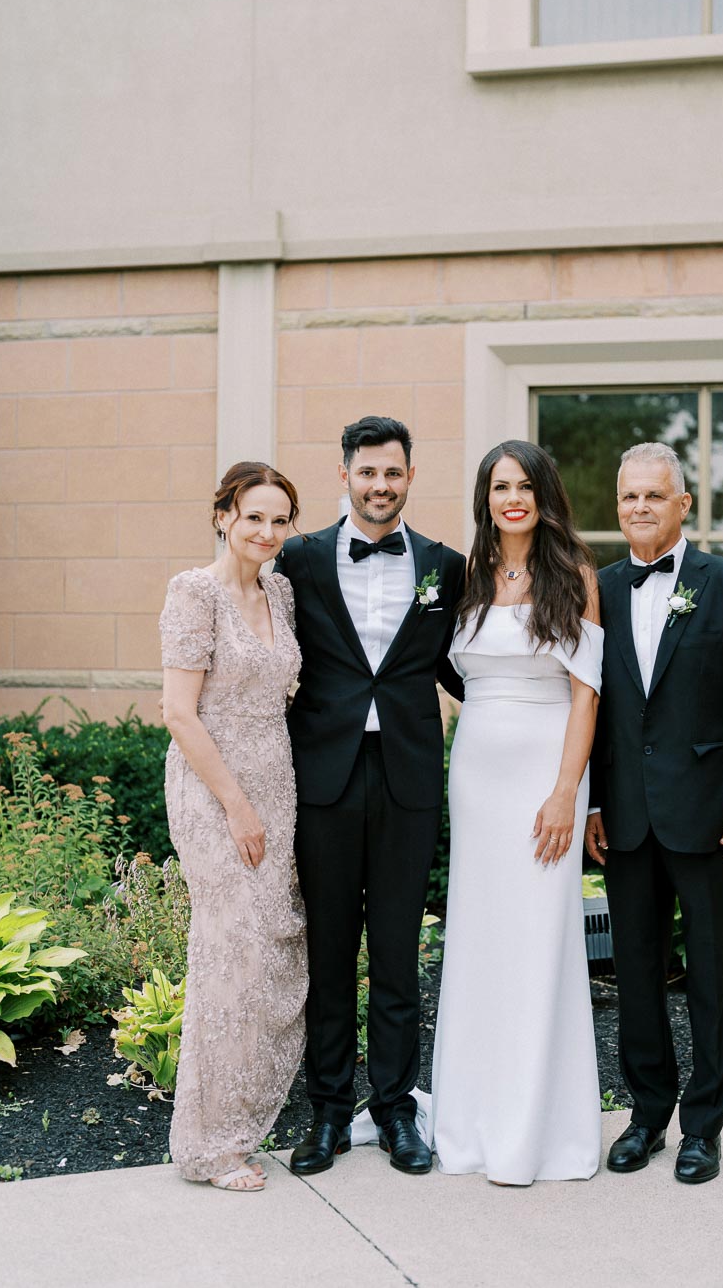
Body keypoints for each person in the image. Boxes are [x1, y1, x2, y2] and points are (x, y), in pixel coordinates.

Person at [585, 441, 723, 1185]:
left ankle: (704, 1126)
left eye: (653, 496)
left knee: (710, 973)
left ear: (683, 505)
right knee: (634, 973)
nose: (639, 507)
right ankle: (647, 1116)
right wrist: (597, 801)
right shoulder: (596, 589)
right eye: (628, 496)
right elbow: (595, 708)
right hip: (627, 820)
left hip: (710, 818)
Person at [276, 416, 466, 1177]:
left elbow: (464, 665)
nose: (380, 486)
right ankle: (326, 1110)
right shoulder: (299, 558)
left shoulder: (445, 567)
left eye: (393, 474)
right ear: (345, 475)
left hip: (408, 777)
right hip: (323, 774)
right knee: (328, 951)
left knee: (396, 950)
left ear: (410, 477)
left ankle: (394, 1110)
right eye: (367, 473)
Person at [431, 440, 604, 1185]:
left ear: (544, 496)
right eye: (501, 486)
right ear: (486, 497)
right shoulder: (466, 577)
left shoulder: (575, 575)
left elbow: (586, 692)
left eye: (526, 486)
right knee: (481, 934)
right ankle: (470, 1121)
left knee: (539, 937)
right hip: (475, 772)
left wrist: (566, 789)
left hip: (546, 771)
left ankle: (539, 1128)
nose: (514, 498)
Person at [160, 461, 307, 1192]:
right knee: (230, 952)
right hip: (215, 790)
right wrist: (236, 805)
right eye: (254, 516)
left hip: (276, 782)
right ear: (224, 515)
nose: (268, 531)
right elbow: (180, 713)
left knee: (266, 955)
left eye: (281, 519)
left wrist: (265, 800)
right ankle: (210, 1147)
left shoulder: (278, 589)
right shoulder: (195, 593)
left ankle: (242, 1123)